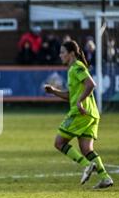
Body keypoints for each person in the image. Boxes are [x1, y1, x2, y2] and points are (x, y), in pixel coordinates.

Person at [44, 40, 113, 189]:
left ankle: (87, 166)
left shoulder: (76, 68)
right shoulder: (74, 69)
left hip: (81, 113)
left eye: (63, 52)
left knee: (59, 143)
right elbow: (71, 95)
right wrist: (54, 92)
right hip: (91, 114)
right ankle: (105, 178)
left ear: (72, 54)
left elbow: (91, 84)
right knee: (86, 149)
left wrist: (79, 102)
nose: (60, 55)